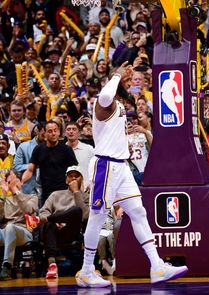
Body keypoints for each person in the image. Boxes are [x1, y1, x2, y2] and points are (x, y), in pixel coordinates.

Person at [75, 62, 188, 288]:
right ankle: (87, 270)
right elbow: (107, 93)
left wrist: (125, 81)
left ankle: (156, 265)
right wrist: (116, 74)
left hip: (122, 167)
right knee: (98, 216)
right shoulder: (102, 102)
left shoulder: (118, 105)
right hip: (105, 165)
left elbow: (124, 98)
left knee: (138, 211)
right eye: (123, 80)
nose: (126, 81)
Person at [25, 165, 89, 279]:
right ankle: (52, 265)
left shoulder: (86, 197)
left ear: (81, 179)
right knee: (49, 224)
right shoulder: (56, 194)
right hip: (54, 231)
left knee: (76, 210)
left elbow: (84, 216)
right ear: (66, 180)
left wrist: (76, 192)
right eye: (71, 176)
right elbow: (44, 211)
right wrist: (55, 221)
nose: (73, 178)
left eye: (77, 176)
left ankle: (44, 221)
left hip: (72, 232)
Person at [21, 120, 78, 206]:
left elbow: (76, 172)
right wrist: (20, 183)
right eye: (50, 131)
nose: (53, 133)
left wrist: (77, 191)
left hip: (64, 192)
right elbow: (30, 170)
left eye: (55, 130)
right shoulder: (38, 149)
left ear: (59, 132)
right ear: (44, 134)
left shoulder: (66, 149)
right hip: (46, 193)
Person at [0, 170, 38, 280]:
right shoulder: (4, 199)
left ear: (21, 182)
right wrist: (3, 195)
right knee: (8, 227)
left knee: (10, 227)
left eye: (15, 181)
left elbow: (29, 210)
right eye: (9, 182)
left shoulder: (31, 197)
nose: (12, 184)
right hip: (4, 232)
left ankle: (7, 267)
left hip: (24, 232)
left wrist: (16, 191)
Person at [13, 122, 46, 194]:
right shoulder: (23, 146)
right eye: (44, 134)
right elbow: (16, 166)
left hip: (48, 189)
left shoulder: (55, 148)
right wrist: (33, 166)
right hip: (29, 190)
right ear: (37, 131)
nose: (46, 137)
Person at [65, 122, 94, 191]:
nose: (71, 131)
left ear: (79, 132)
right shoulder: (61, 150)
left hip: (86, 190)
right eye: (68, 129)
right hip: (66, 191)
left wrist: (92, 183)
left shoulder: (89, 149)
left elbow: (95, 167)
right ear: (65, 133)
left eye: (74, 129)